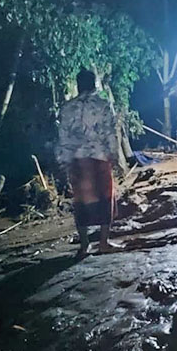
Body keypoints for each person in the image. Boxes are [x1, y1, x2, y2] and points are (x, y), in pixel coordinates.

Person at [57, 69, 122, 257]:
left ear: (78, 85)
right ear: (94, 84)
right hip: (99, 158)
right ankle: (103, 242)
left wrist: (64, 161)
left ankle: (85, 245)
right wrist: (114, 156)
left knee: (81, 201)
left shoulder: (67, 108)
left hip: (77, 160)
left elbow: (63, 137)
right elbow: (110, 133)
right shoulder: (103, 105)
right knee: (105, 199)